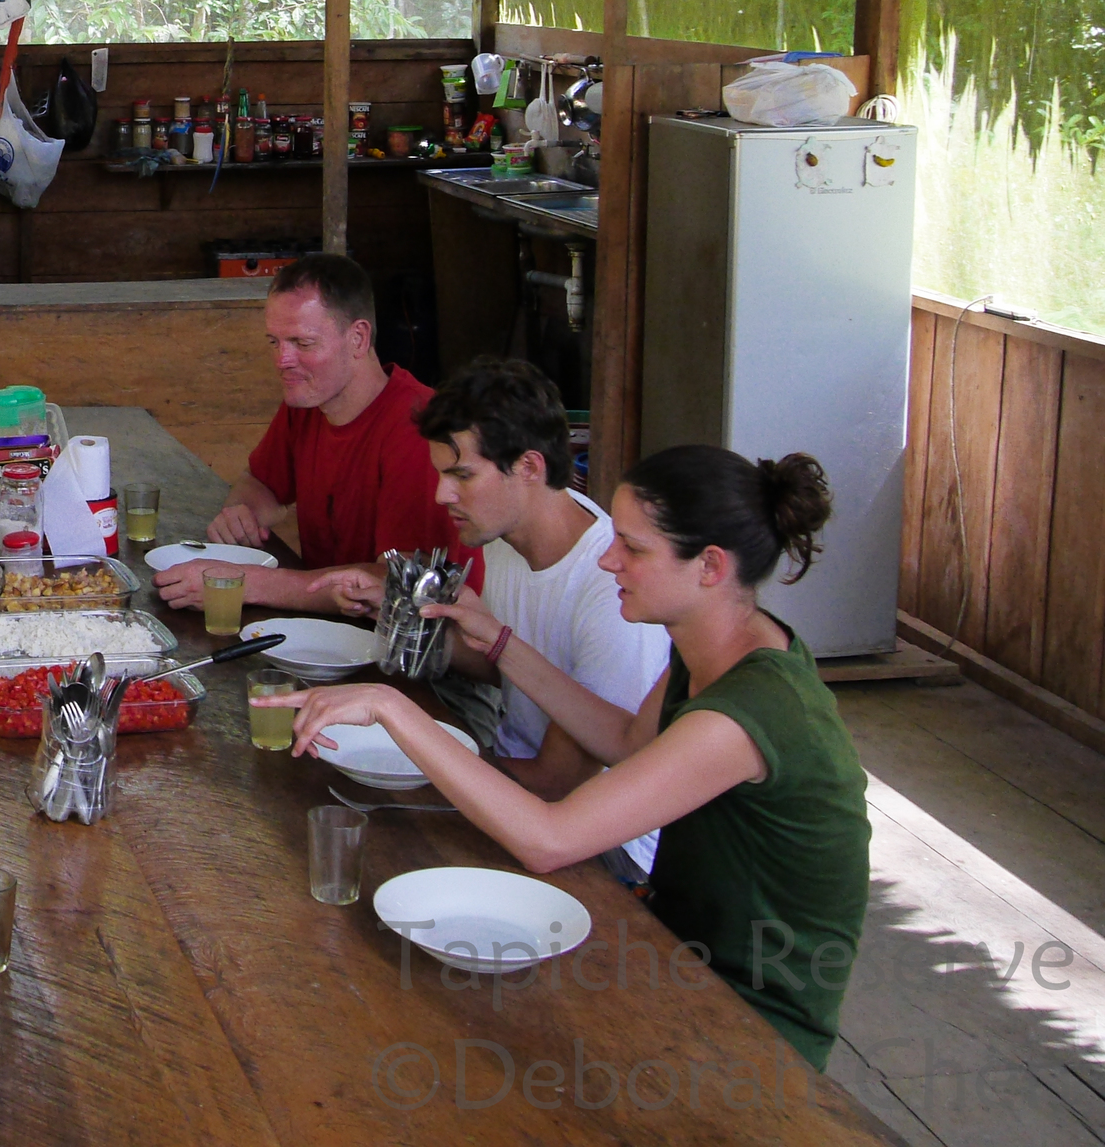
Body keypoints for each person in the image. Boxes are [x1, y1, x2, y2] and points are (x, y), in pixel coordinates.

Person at [288, 445, 870, 1070]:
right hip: (671, 947)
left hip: (750, 1019)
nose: (608, 559)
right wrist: (504, 645)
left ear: (709, 566)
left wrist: (393, 709)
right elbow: (623, 741)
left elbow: (549, 838)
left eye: (634, 548)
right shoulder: (722, 644)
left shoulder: (749, 709)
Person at [321, 357, 668, 874]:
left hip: (598, 850)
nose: (442, 495)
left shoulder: (611, 592)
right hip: (512, 777)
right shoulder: (504, 533)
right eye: (442, 474)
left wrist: (414, 755)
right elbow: (503, 669)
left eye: (462, 474)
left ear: (528, 467)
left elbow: (558, 781)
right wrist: (403, 620)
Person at [155, 252, 473, 619]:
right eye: (274, 342)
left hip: (418, 651)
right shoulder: (309, 399)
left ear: (358, 338)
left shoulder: (420, 429)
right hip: (331, 630)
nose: (282, 360)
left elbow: (398, 585)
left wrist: (244, 582)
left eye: (302, 343)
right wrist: (242, 514)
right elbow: (261, 483)